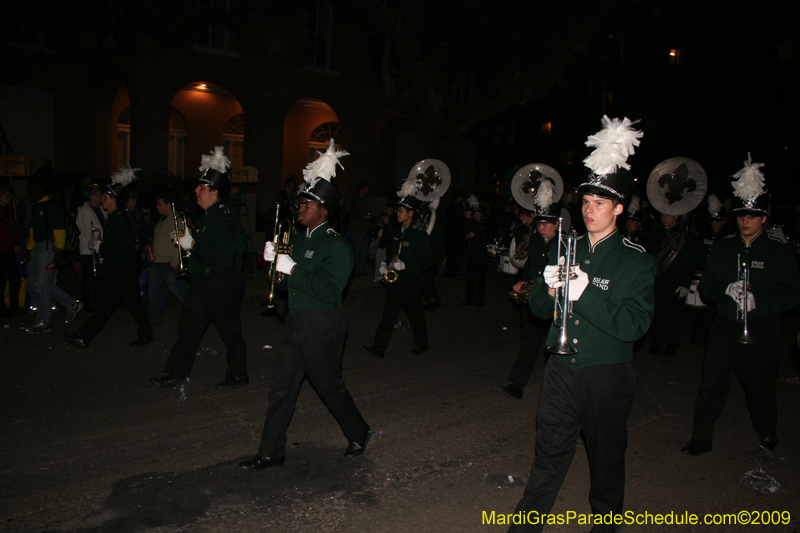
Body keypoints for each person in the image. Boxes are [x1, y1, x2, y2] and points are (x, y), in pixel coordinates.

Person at [508, 117, 654, 533]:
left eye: (600, 204)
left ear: (619, 208)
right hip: (560, 367)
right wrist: (547, 291)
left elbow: (634, 325)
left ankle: (606, 525)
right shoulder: (565, 248)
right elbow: (537, 309)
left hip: (605, 373)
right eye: (586, 202)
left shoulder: (636, 260)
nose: (589, 211)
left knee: (605, 457)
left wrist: (585, 293)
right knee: (549, 451)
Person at [240, 139, 370, 470]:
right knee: (281, 389)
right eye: (300, 203)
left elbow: (328, 290)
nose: (300, 208)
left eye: (306, 204)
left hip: (322, 325)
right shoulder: (296, 240)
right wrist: (274, 266)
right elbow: (285, 286)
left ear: (323, 211)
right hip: (295, 323)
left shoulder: (337, 247)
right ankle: (271, 451)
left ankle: (359, 431)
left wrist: (291, 268)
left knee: (329, 387)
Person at [681, 154, 800, 456]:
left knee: (760, 387)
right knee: (711, 384)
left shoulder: (778, 252)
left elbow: (792, 294)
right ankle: (701, 437)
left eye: (752, 216)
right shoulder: (724, 246)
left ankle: (766, 431)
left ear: (764, 218)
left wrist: (758, 301)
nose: (745, 221)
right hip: (725, 326)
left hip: (762, 329)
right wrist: (725, 290)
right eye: (741, 215)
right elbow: (706, 285)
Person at [150, 147, 248, 396]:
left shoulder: (222, 218)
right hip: (206, 281)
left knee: (229, 330)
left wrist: (191, 244)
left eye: (202, 188)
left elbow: (220, 255)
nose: (196, 191)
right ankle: (176, 373)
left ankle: (238, 373)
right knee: (189, 328)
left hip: (222, 280)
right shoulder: (209, 217)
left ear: (214, 192)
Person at [63, 167, 153, 349]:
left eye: (105, 197)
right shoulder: (115, 217)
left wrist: (101, 247)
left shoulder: (118, 219)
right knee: (112, 305)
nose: (102, 200)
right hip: (119, 269)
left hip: (121, 269)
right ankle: (85, 336)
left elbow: (121, 247)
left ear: (113, 200)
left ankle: (86, 336)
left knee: (130, 305)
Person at [500, 177, 561, 400]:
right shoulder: (535, 238)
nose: (542, 228)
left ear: (557, 223)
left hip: (555, 301)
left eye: (547, 224)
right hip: (534, 297)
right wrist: (522, 282)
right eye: (539, 223)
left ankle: (559, 390)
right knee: (528, 342)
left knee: (555, 348)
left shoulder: (566, 244)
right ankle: (517, 384)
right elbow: (530, 267)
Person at [363, 183, 431, 358]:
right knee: (388, 316)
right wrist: (385, 264)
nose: (398, 213)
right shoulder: (395, 232)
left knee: (416, 316)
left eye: (402, 211)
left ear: (411, 213)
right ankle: (379, 348)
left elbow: (426, 261)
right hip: (395, 281)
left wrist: (406, 266)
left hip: (410, 282)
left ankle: (422, 344)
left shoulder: (419, 235)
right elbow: (392, 253)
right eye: (398, 210)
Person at [23, 176, 82, 333]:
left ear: (41, 190)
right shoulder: (35, 206)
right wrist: (29, 250)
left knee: (42, 285)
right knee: (41, 284)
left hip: (49, 248)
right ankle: (71, 304)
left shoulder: (50, 206)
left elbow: (59, 229)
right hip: (39, 248)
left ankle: (44, 321)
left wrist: (58, 251)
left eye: (32, 189)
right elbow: (33, 231)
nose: (29, 192)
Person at [645, 208, 697, 356]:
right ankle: (655, 344)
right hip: (657, 280)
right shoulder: (656, 232)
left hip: (675, 282)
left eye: (668, 214)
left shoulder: (684, 236)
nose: (664, 217)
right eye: (663, 214)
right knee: (656, 315)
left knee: (673, 317)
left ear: (676, 217)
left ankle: (671, 345)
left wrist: (685, 284)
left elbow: (690, 261)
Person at [147, 192, 188, 325]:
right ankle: (153, 318)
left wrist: (175, 262)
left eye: (160, 204)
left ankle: (196, 315)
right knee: (156, 293)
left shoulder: (176, 219)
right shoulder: (162, 219)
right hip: (158, 263)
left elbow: (181, 241)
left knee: (181, 293)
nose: (157, 207)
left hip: (169, 264)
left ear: (168, 205)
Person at [74, 183, 107, 312]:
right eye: (97, 195)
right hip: (89, 249)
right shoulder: (84, 211)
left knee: (99, 278)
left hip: (100, 247)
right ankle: (87, 304)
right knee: (88, 279)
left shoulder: (101, 210)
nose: (100, 197)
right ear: (90, 197)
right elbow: (88, 231)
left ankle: (98, 303)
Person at [0, 184, 23, 317]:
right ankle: (2, 308)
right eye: (7, 195)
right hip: (2, 251)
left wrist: (16, 242)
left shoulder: (8, 211)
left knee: (15, 280)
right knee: (1, 282)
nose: (9, 198)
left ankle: (14, 305)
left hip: (9, 251)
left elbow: (13, 228)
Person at [463, 195, 488, 305]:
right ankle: (469, 299)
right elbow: (463, 236)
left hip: (482, 254)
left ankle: (479, 300)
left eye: (479, 212)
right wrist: (469, 235)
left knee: (481, 279)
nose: (477, 214)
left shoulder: (486, 224)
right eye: (475, 212)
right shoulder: (469, 223)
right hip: (471, 253)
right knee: (469, 278)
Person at [347, 181, 371, 277]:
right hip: (357, 228)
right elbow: (351, 214)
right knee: (356, 250)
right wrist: (362, 217)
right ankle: (354, 271)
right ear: (361, 190)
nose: (367, 190)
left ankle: (361, 269)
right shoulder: (355, 199)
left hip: (364, 228)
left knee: (363, 250)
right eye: (366, 188)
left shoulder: (364, 200)